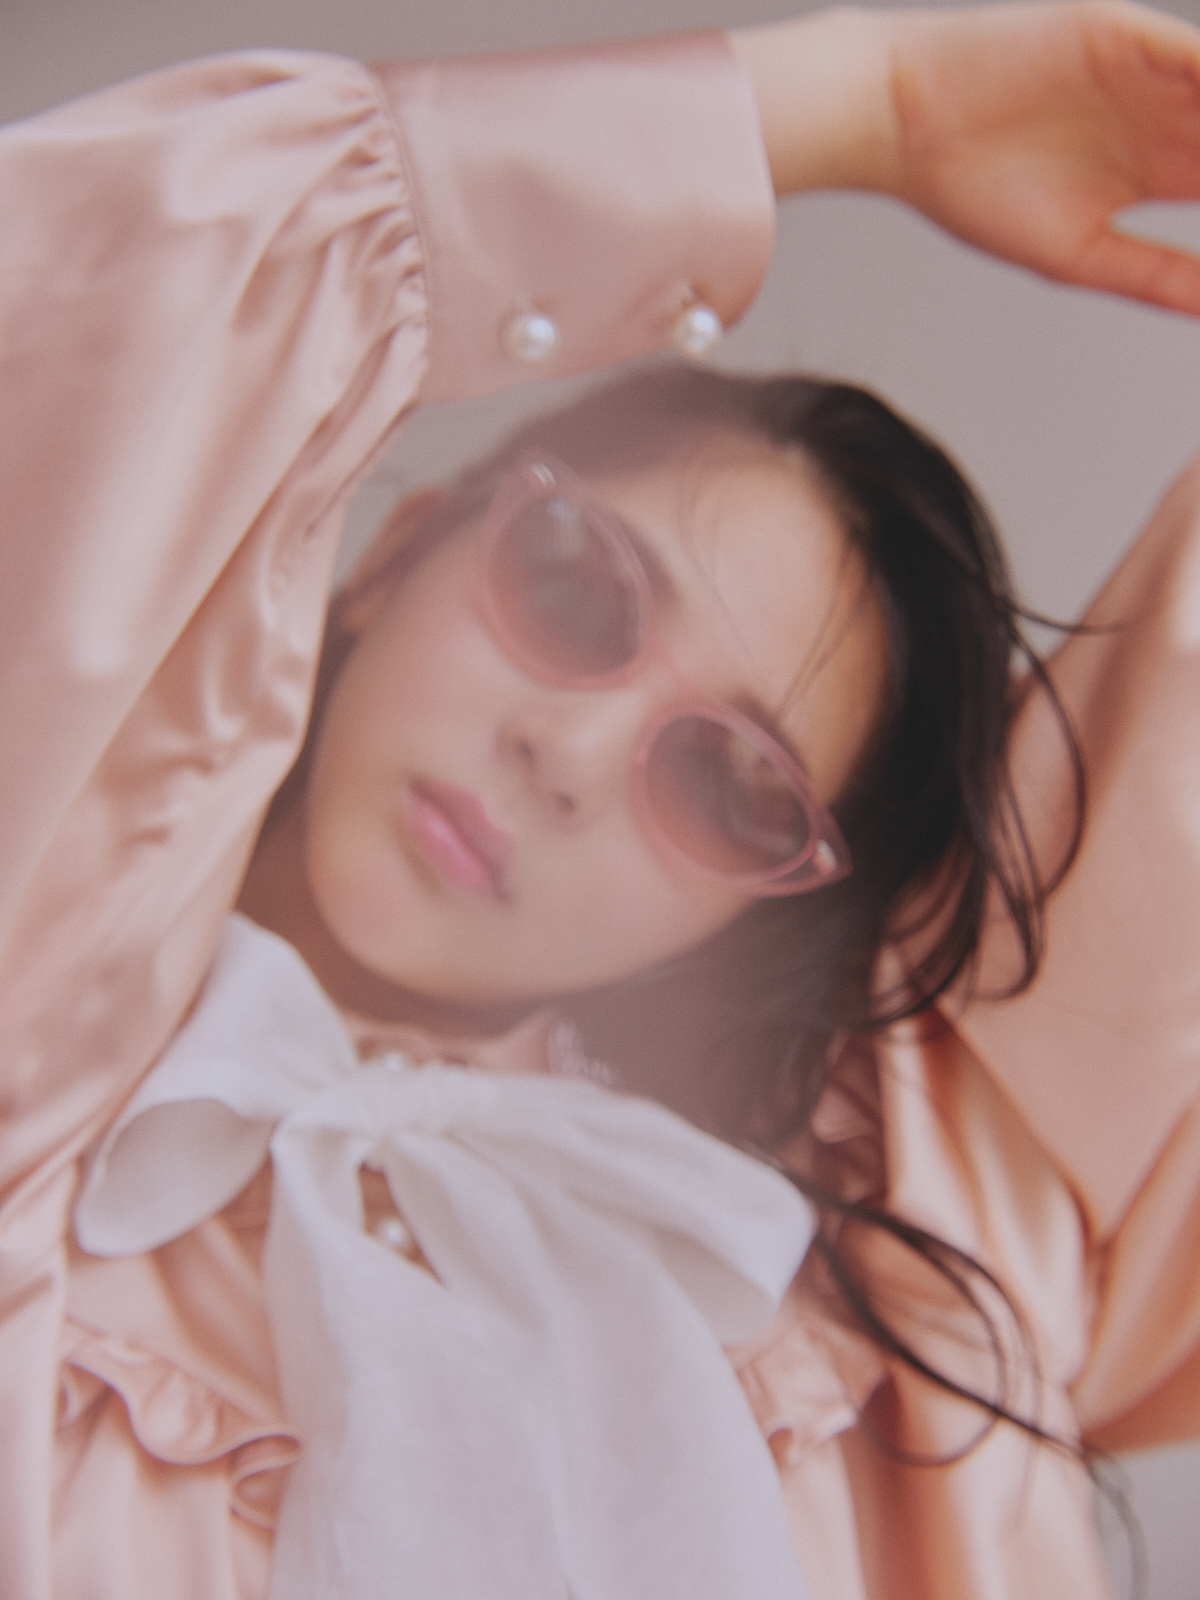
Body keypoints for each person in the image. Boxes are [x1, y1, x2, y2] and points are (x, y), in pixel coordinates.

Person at [3, 3, 1200, 1597]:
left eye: (727, 785)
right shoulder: (35, 991)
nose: (565, 757)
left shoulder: (885, 1304)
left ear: (745, 918)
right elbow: (106, 293)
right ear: (404, 543)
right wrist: (867, 104)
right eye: (573, 592)